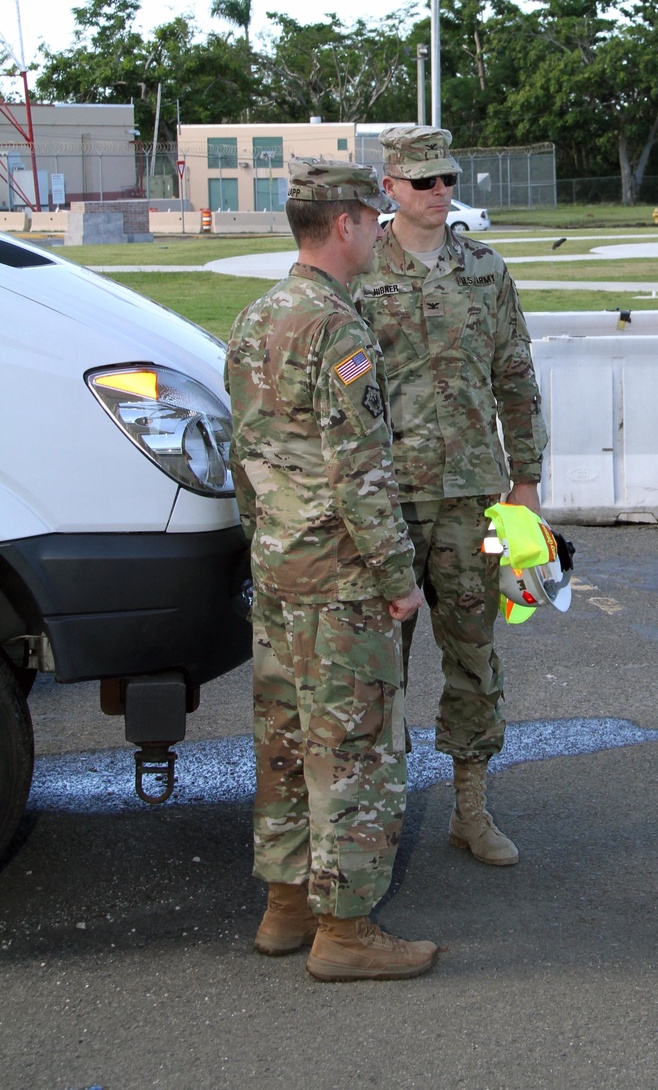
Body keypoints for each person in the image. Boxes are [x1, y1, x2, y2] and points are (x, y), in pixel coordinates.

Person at [225, 158, 438, 982]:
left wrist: (266, 547)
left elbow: (247, 458)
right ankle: (344, 931)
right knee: (353, 748)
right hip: (343, 580)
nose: (378, 231)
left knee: (282, 737)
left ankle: (285, 906)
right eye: (370, 217)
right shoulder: (337, 328)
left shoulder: (256, 317)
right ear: (346, 223)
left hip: (281, 572)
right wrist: (397, 580)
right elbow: (361, 473)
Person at [353, 124, 548, 867]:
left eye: (448, 180)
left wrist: (524, 481)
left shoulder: (485, 271)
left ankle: (471, 805)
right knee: (379, 661)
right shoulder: (360, 272)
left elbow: (515, 378)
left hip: (471, 495)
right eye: (425, 181)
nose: (440, 193)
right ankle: (378, 813)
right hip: (389, 498)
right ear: (390, 189)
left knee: (474, 654)